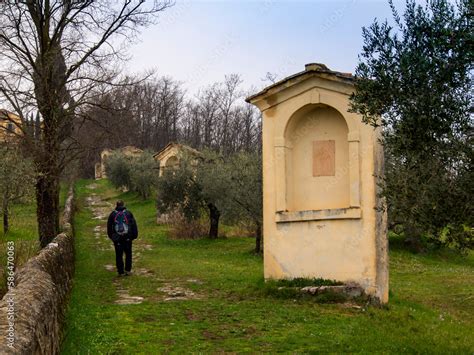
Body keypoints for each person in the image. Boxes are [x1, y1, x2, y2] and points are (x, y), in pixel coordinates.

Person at [107, 200, 138, 276]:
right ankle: (128, 270)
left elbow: (109, 227)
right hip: (127, 237)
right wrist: (134, 236)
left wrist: (112, 237)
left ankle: (120, 272)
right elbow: (134, 225)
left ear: (116, 205)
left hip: (117, 238)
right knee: (128, 254)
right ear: (124, 205)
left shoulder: (112, 215)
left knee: (118, 255)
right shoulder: (128, 213)